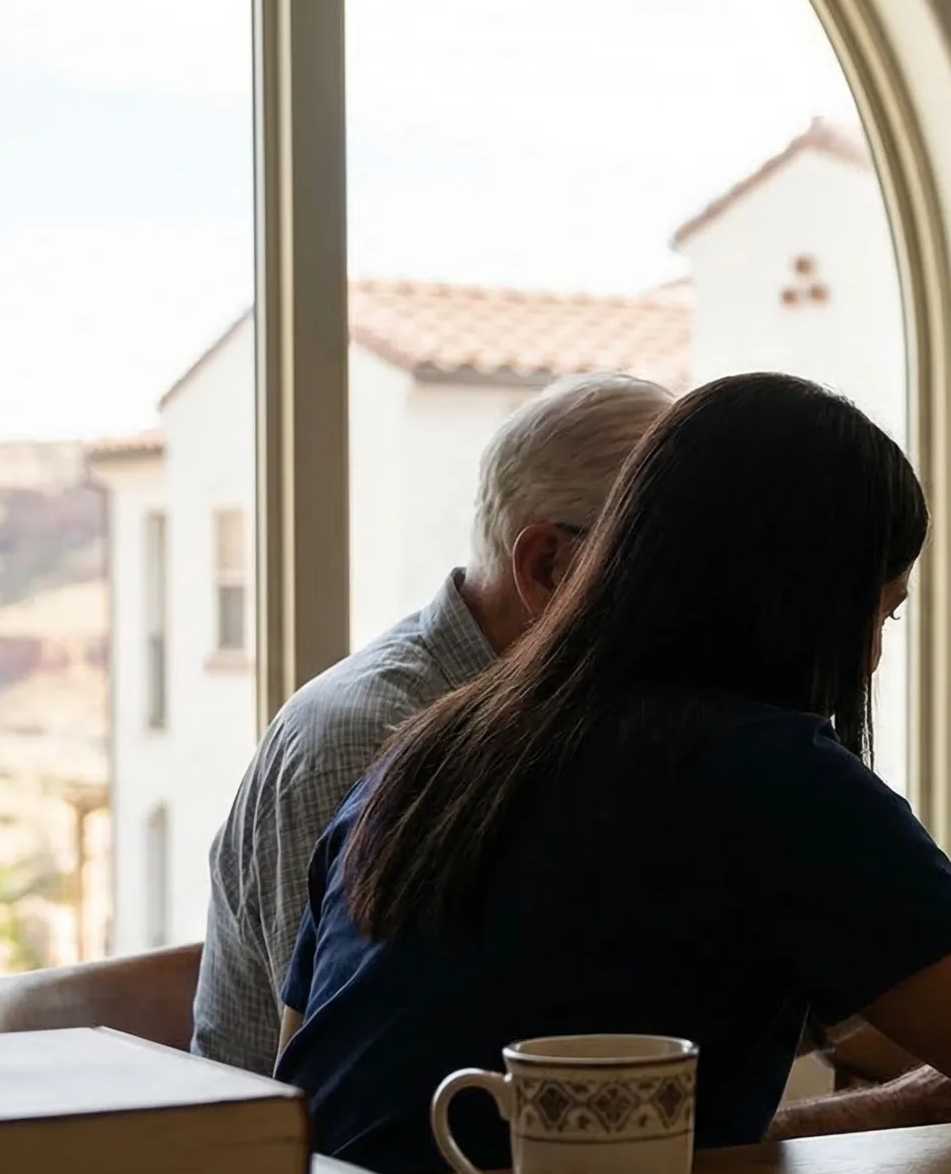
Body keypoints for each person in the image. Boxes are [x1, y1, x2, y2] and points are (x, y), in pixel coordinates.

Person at [274, 373, 951, 1174]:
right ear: (796, 602)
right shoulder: (763, 768)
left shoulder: (435, 747)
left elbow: (309, 1078)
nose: (874, 656)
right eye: (877, 611)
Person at [190, 373, 670, 1074]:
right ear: (546, 565)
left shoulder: (582, 716)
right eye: (661, 571)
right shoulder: (364, 741)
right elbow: (354, 1081)